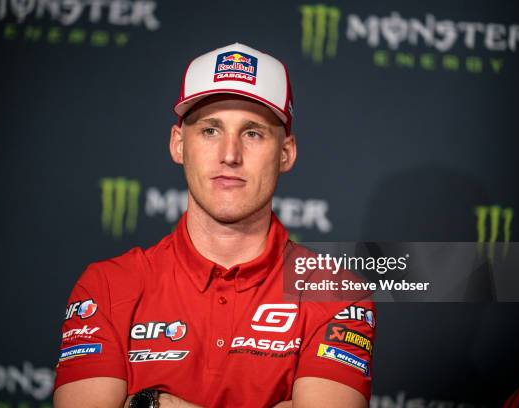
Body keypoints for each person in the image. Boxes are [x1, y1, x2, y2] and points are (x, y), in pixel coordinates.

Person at [53, 43, 375, 408]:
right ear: (178, 144)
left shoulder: (336, 293)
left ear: (286, 153)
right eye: (210, 130)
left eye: (253, 133)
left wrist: (150, 404)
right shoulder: (107, 286)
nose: (230, 154)